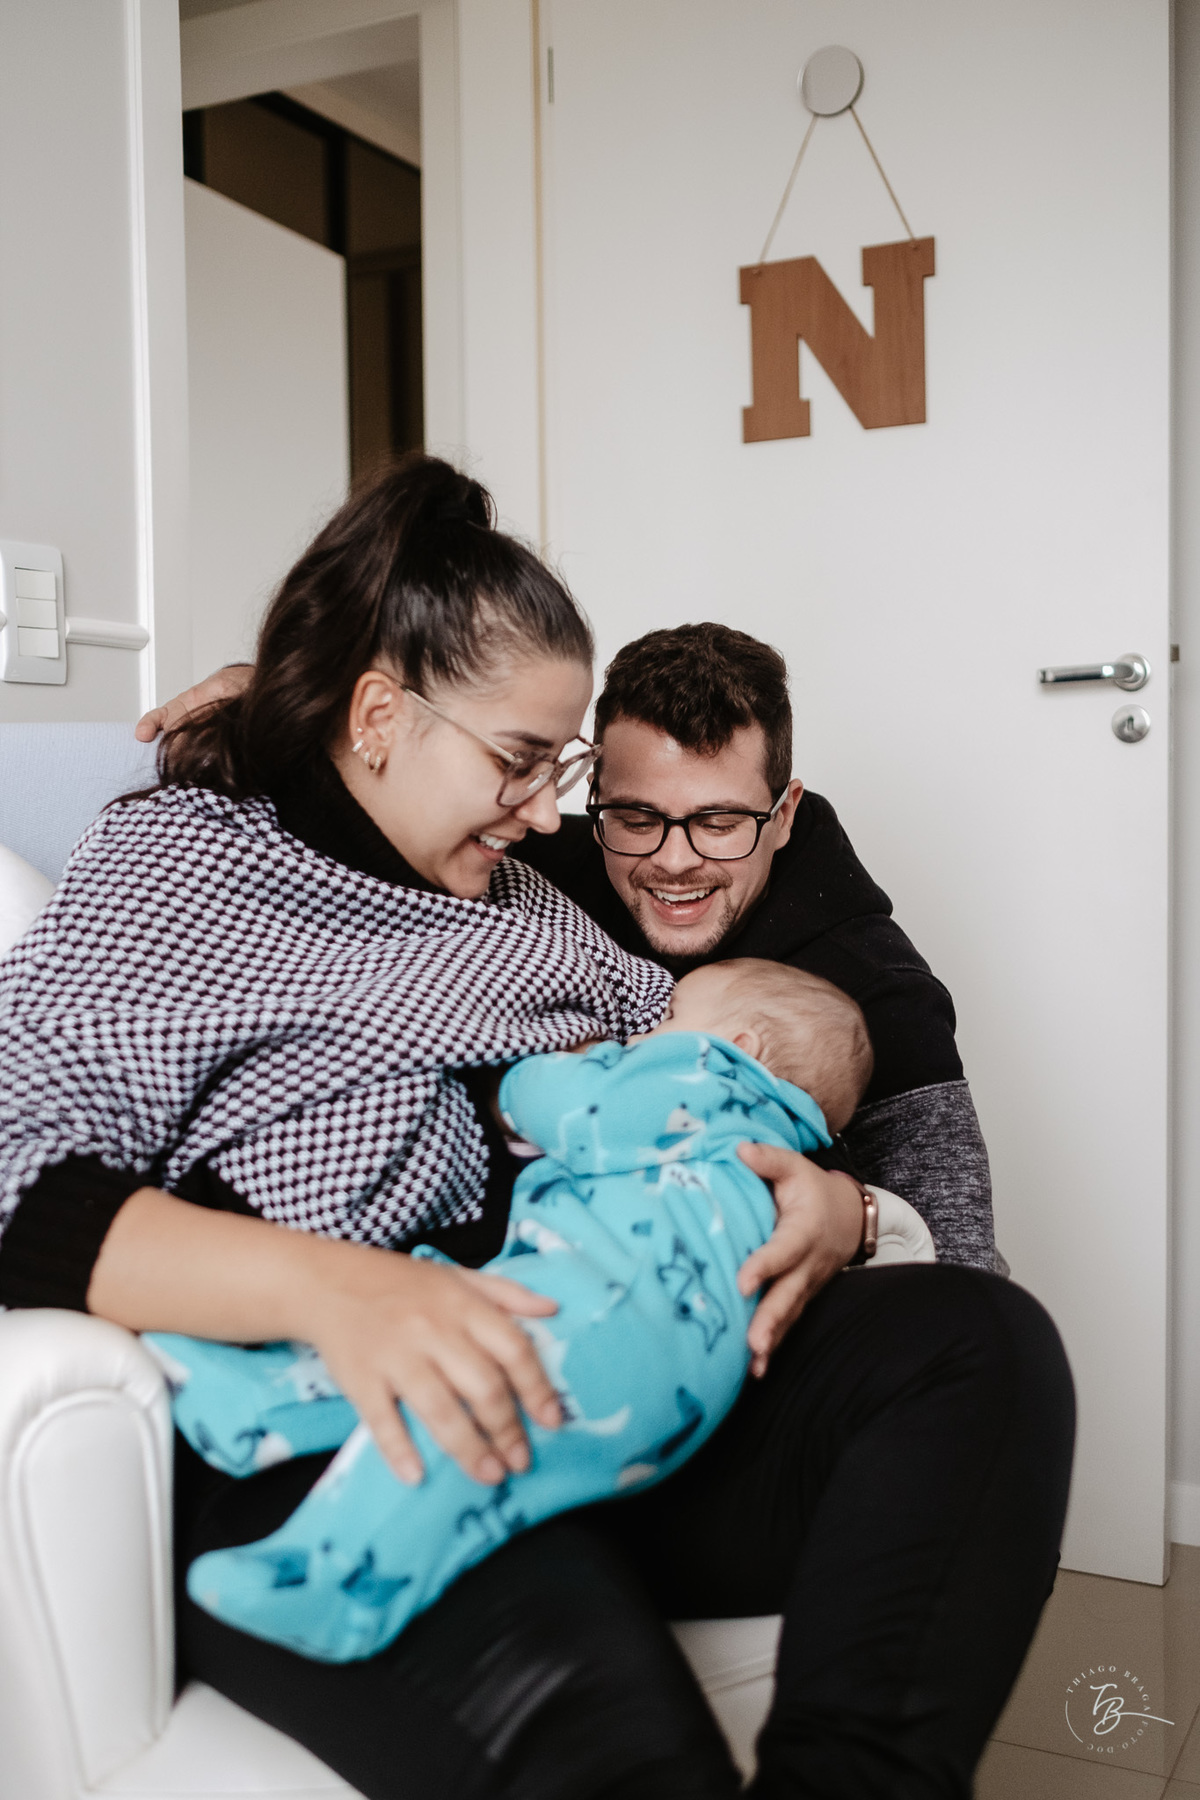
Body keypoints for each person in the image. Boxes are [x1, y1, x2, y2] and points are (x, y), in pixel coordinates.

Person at [1, 455, 1074, 1800]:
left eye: (559, 767)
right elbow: (12, 1167)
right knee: (626, 1756)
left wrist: (838, 1204)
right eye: (521, 762)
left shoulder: (524, 899)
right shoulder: (187, 863)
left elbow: (705, 1058)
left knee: (982, 1345)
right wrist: (341, 1290)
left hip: (599, 1374)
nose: (552, 813)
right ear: (379, 715)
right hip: (353, 1429)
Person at [151, 962, 889, 1664]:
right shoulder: (760, 1157)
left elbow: (584, 1110)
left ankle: (337, 1583)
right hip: (660, 1381)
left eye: (668, 1017)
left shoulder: (709, 1081)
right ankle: (263, 1409)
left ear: (741, 1046)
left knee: (457, 1414)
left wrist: (524, 1079)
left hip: (603, 1331)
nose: (643, 1033)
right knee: (435, 1352)